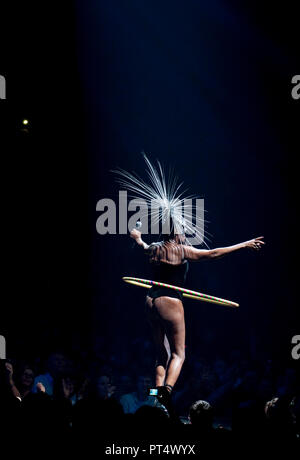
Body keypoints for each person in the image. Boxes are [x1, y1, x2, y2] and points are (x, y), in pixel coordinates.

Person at [115, 155, 265, 404]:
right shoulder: (182, 251)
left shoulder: (154, 248)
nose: (186, 234)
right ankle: (165, 398)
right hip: (170, 301)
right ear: (176, 230)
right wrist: (245, 245)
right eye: (182, 230)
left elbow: (142, 245)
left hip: (150, 300)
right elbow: (214, 253)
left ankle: (155, 397)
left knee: (160, 354)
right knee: (179, 354)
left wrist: (137, 238)